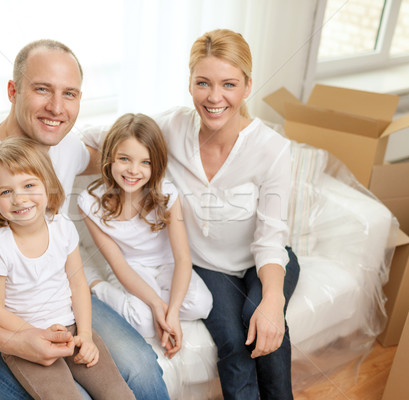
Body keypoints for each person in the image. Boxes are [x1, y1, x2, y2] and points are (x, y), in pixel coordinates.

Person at [0, 39, 169, 400]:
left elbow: (114, 158)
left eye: (70, 94)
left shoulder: (65, 146)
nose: (56, 108)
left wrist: (170, 140)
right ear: (13, 91)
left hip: (60, 301)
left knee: (139, 370)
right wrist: (14, 340)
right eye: (42, 89)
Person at [82, 29, 300, 400]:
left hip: (265, 262)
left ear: (247, 86)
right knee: (233, 341)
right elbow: (107, 138)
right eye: (203, 83)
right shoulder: (172, 127)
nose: (215, 97)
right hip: (209, 267)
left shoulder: (273, 149)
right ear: (190, 84)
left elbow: (270, 238)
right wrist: (34, 158)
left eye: (229, 84)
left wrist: (273, 301)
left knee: (260, 321)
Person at [0, 137, 135, 400]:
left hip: (70, 328)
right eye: (5, 192)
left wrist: (84, 334)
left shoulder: (62, 226)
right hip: (25, 338)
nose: (19, 199)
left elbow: (78, 283)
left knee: (119, 394)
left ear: (47, 185)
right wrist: (36, 335)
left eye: (28, 185)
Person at [77, 113, 213, 359]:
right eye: (124, 159)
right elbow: (118, 264)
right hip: (130, 268)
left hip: (167, 264)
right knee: (144, 323)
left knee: (202, 304)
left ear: (156, 165)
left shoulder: (168, 194)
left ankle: (157, 305)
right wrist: (154, 304)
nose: (133, 170)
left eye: (145, 162)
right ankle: (96, 285)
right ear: (109, 159)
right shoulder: (89, 202)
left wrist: (170, 313)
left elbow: (183, 259)